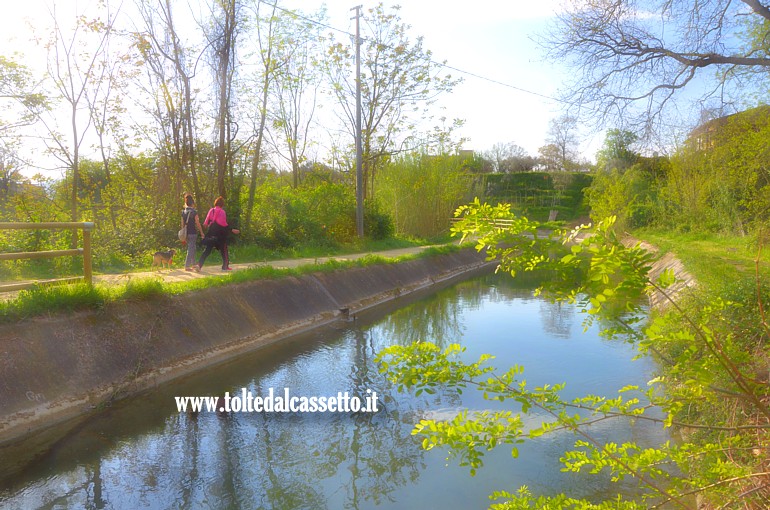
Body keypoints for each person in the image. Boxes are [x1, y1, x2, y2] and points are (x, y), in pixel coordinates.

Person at [198, 196, 240, 271]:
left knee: (207, 250)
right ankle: (225, 266)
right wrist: (232, 230)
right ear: (222, 204)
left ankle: (199, 265)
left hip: (211, 233)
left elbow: (205, 223)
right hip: (220, 234)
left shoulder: (211, 211)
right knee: (224, 250)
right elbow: (224, 225)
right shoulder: (222, 212)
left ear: (215, 203)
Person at [181, 194, 205, 272]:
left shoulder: (183, 212)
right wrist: (201, 232)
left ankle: (193, 263)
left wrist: (183, 234)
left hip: (186, 233)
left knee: (192, 248)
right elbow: (197, 223)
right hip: (193, 232)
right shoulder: (194, 212)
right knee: (191, 248)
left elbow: (182, 224)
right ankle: (187, 265)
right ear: (192, 203)